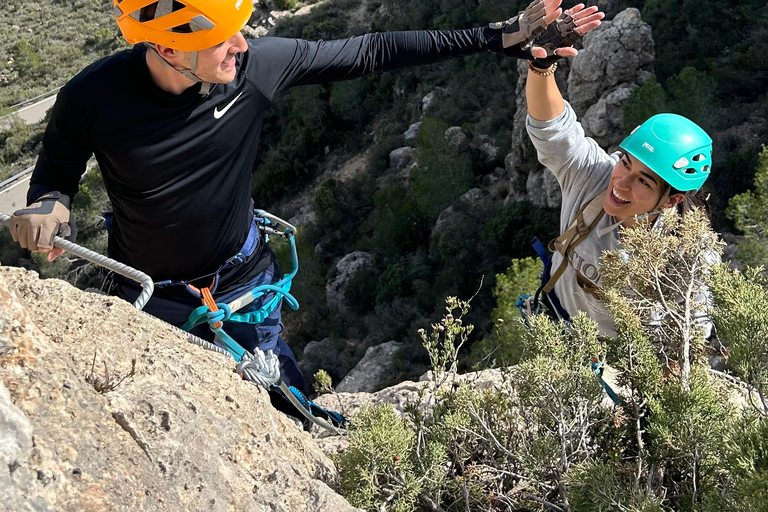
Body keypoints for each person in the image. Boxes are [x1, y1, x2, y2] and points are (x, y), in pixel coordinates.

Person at [7, 0, 590, 424]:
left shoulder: (254, 69)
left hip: (242, 286)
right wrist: (51, 209)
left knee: (285, 408)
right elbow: (56, 177)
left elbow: (371, 50)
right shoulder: (93, 97)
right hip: (150, 296)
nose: (242, 45)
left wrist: (501, 36)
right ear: (167, 48)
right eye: (224, 40)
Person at [524, 8, 714, 337]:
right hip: (555, 323)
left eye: (643, 180)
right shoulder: (595, 178)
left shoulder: (687, 253)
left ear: (671, 200)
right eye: (626, 162)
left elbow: (693, 331)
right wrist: (542, 66)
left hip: (617, 358)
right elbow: (554, 131)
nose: (620, 183)